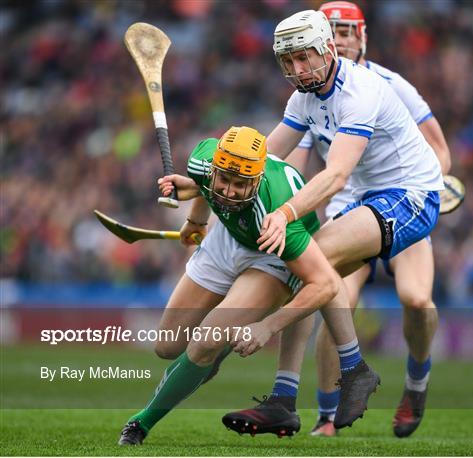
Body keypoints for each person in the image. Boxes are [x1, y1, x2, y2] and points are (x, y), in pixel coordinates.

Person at [223, 8, 444, 437]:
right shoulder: (303, 98)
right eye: (288, 62)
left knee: (316, 258)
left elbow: (336, 173)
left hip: (411, 195)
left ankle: (370, 373)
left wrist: (285, 214)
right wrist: (208, 183)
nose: (297, 70)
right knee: (305, 268)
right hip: (358, 200)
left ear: (327, 48)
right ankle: (288, 401)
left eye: (304, 58)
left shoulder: (362, 89)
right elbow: (267, 157)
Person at [117, 126, 378, 445]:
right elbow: (203, 185)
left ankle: (140, 423)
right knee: (167, 346)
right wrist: (197, 221)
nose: (228, 191)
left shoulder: (278, 218)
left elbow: (325, 285)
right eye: (223, 179)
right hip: (226, 239)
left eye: (241, 185)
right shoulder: (204, 159)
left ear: (256, 181)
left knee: (203, 343)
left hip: (270, 254)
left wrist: (267, 327)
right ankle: (218, 349)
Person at [283, 1, 452, 438]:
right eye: (331, 31)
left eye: (345, 32)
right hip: (349, 205)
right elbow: (291, 159)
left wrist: (436, 184)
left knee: (417, 301)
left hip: (402, 197)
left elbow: (439, 150)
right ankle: (326, 416)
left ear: (361, 38)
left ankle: (416, 383)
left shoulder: (388, 85)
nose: (339, 39)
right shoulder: (308, 93)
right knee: (330, 288)